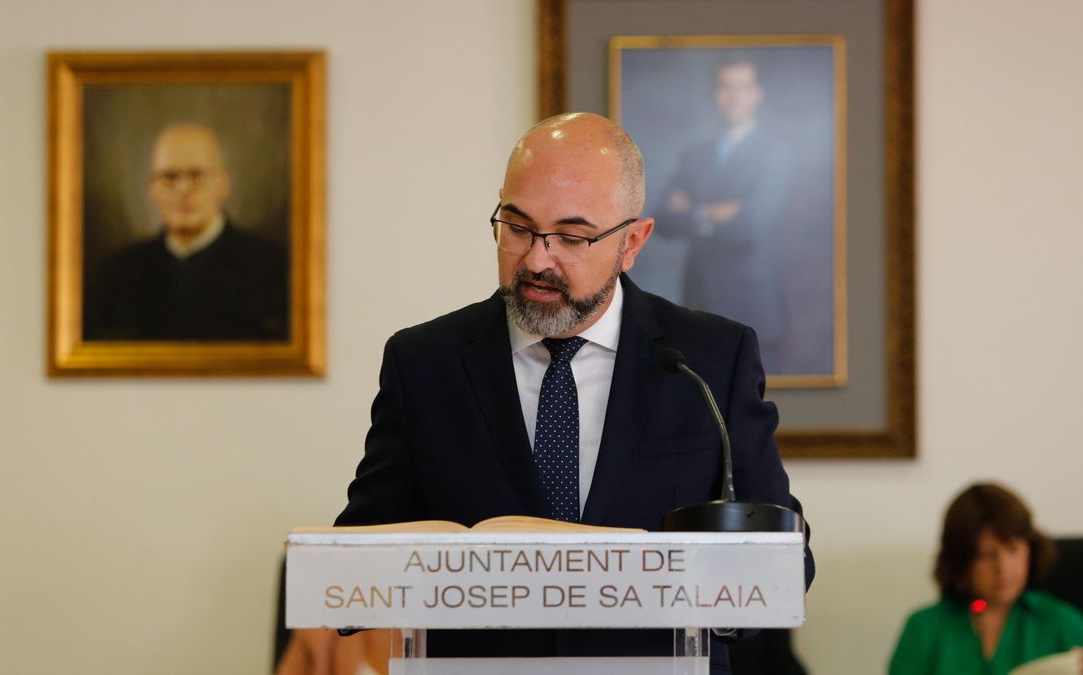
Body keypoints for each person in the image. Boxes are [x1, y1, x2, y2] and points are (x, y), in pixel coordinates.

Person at [328, 112, 811, 673]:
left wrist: (708, 601)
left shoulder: (708, 360)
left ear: (633, 241)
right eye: (517, 227)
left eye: (572, 236)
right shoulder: (424, 362)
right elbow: (361, 548)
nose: (537, 259)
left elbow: (786, 560)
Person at [84, 123, 288, 341]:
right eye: (169, 177)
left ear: (223, 185)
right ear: (151, 189)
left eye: (197, 175)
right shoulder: (118, 275)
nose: (183, 189)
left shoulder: (273, 268)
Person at [889, 483, 1083, 675]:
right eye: (986, 555)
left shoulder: (1061, 622)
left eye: (1013, 549)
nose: (1003, 568)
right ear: (961, 561)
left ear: (1030, 550)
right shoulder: (924, 628)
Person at [651, 57, 792, 368]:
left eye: (742, 87)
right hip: (697, 305)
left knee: (745, 411)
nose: (733, 96)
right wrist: (715, 212)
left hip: (750, 307)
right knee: (697, 409)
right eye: (725, 87)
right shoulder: (694, 154)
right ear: (715, 94)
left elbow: (751, 224)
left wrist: (694, 211)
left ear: (758, 94)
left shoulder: (775, 153)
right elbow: (663, 218)